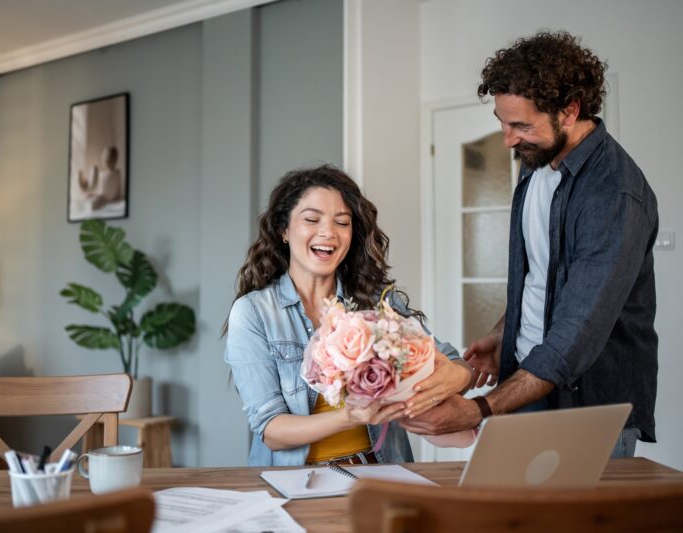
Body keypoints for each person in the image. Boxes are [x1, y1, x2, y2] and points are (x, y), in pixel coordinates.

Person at [399, 31, 658, 458]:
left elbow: (573, 338)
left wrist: (478, 409)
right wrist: (506, 332)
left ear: (570, 111)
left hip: (588, 407)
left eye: (521, 125)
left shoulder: (614, 196)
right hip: (527, 383)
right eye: (502, 123)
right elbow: (541, 276)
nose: (508, 140)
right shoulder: (536, 164)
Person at [224, 165, 471, 466]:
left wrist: (449, 384)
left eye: (342, 222)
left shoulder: (378, 299)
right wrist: (349, 416)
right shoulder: (254, 313)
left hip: (380, 472)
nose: (328, 233)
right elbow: (271, 430)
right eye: (312, 220)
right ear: (283, 230)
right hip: (294, 482)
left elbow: (452, 362)